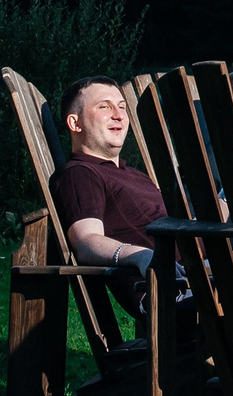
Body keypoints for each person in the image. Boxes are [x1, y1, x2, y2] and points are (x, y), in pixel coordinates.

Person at [48, 76, 166, 322]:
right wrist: (139, 255)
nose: (119, 115)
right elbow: (86, 240)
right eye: (104, 106)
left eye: (122, 107)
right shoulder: (81, 174)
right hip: (170, 289)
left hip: (203, 275)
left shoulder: (133, 175)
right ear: (75, 123)